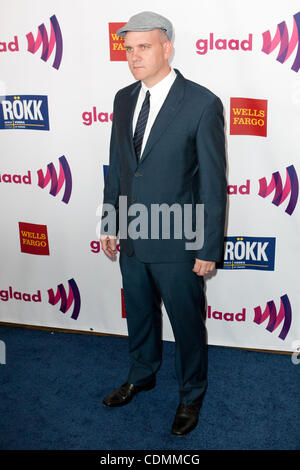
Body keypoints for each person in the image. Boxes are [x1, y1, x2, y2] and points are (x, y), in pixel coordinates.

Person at [100, 11, 227, 436]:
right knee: (139, 313)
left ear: (167, 47)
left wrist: (209, 248)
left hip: (178, 237)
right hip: (132, 234)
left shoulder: (202, 103)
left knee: (187, 323)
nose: (134, 56)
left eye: (144, 47)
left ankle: (191, 394)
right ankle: (142, 373)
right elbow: (118, 167)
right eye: (129, 48)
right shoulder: (122, 98)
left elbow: (212, 182)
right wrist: (109, 221)